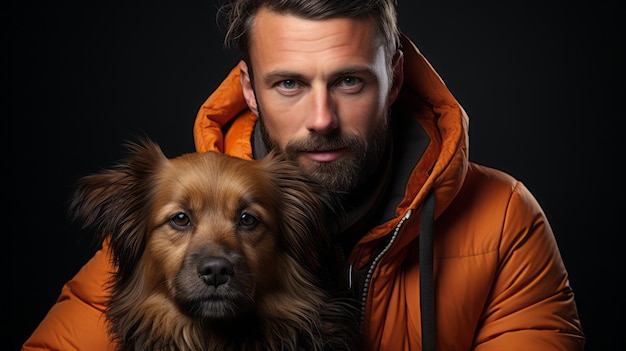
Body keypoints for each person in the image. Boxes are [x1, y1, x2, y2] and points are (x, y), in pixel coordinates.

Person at [23, 0, 585, 350]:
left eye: (349, 81)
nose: (321, 120)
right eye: (289, 83)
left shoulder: (502, 218)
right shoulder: (156, 220)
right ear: (249, 87)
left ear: (394, 75)